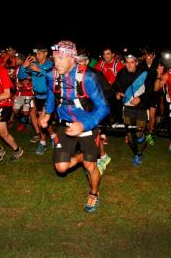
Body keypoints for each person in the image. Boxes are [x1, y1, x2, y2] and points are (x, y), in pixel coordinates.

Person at [40, 41, 109, 213]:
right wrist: (47, 114)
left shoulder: (87, 77)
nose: (57, 62)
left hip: (87, 125)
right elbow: (50, 95)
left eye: (62, 58)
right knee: (61, 168)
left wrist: (84, 125)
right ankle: (82, 157)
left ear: (73, 58)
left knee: (90, 166)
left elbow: (104, 108)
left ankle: (94, 194)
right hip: (65, 126)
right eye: (55, 57)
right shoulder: (52, 75)